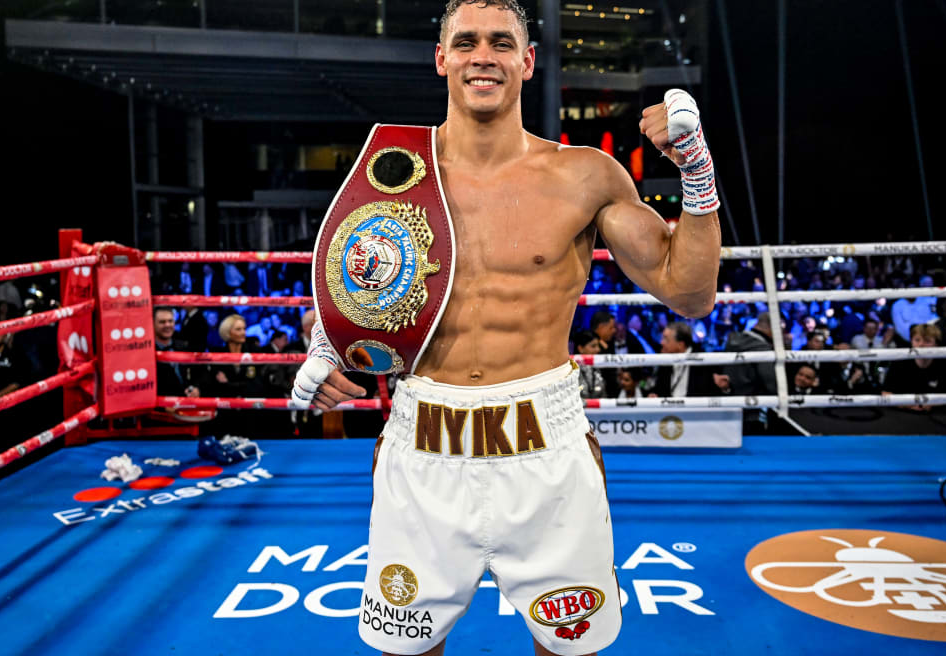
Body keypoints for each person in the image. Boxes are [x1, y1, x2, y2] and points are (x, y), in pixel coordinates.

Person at [291, 2, 721, 654]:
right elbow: (347, 282)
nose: (482, 55)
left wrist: (696, 171)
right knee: (405, 650)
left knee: (570, 649)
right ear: (442, 59)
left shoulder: (585, 175)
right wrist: (323, 347)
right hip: (423, 446)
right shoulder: (394, 172)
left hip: (544, 448)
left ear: (528, 60)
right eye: (465, 43)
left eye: (501, 42)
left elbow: (688, 293)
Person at [573, 330, 606, 399]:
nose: (598, 349)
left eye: (598, 346)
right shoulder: (571, 371)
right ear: (580, 348)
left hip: (599, 408)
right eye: (593, 346)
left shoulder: (600, 367)